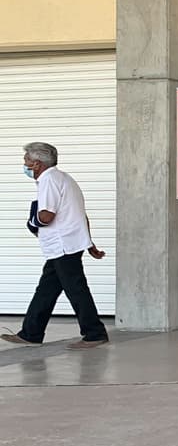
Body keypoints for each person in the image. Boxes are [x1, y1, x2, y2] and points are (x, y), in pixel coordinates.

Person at [2, 143, 109, 350]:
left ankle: (94, 333)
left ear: (37, 164)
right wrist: (89, 243)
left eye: (26, 160)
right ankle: (31, 333)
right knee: (46, 290)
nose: (24, 164)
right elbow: (80, 214)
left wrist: (32, 222)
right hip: (67, 244)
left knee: (76, 289)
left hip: (63, 245)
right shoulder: (64, 178)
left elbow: (46, 216)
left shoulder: (48, 180)